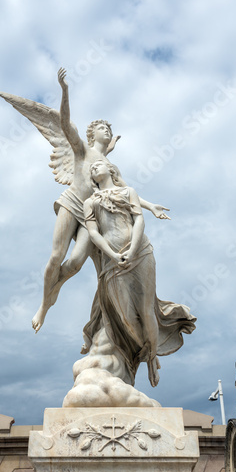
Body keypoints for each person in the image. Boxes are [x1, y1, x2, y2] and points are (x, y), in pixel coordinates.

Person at [31, 68, 170, 333]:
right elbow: (64, 123)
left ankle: (54, 291)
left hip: (89, 216)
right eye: (103, 128)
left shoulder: (108, 164)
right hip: (72, 202)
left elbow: (124, 190)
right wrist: (65, 91)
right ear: (93, 134)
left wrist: (151, 207)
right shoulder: (82, 150)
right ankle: (43, 306)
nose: (107, 131)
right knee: (56, 256)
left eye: (108, 129)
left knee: (73, 265)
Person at [82, 160, 196, 387]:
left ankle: (152, 359)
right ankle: (138, 354)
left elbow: (138, 220)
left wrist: (132, 250)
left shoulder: (128, 191)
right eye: (91, 168)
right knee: (124, 316)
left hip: (140, 253)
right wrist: (113, 255)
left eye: (98, 164)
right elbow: (94, 234)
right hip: (112, 262)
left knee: (146, 310)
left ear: (111, 170)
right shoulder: (90, 202)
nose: (94, 167)